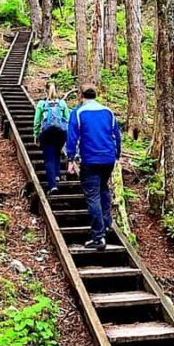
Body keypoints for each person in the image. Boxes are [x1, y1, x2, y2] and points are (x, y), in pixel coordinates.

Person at [66, 84, 122, 250]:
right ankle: (107, 223)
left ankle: (98, 237)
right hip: (108, 158)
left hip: (90, 159)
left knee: (93, 196)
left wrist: (71, 159)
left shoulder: (78, 113)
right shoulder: (108, 112)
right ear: (96, 95)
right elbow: (116, 135)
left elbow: (72, 137)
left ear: (80, 95)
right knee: (103, 188)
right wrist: (117, 155)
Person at [33, 82, 70, 195]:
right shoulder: (62, 103)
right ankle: (57, 175)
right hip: (61, 133)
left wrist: (36, 135)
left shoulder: (42, 104)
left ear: (45, 91)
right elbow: (67, 119)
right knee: (57, 152)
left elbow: (37, 121)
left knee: (49, 158)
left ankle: (52, 186)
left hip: (47, 133)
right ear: (57, 91)